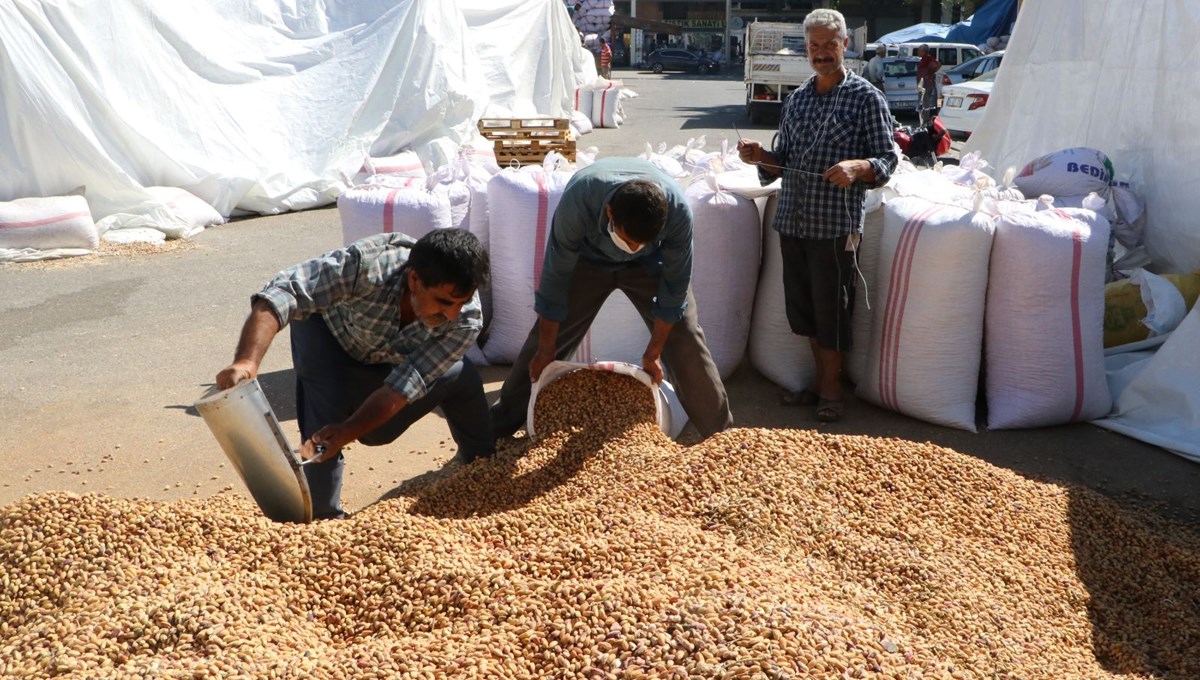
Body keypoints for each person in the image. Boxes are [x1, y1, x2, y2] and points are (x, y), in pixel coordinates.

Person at [214, 229, 493, 519]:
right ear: (414, 280)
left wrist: (349, 431)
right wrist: (247, 360)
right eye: (445, 302)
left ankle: (482, 461)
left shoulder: (465, 322)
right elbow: (284, 291)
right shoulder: (369, 267)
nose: (451, 314)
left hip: (385, 357)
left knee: (376, 431)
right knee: (326, 407)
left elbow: (400, 388)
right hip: (328, 332)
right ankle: (324, 516)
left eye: (461, 302)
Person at [489, 157, 734, 441]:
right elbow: (555, 282)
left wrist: (653, 354)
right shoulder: (579, 201)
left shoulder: (677, 212)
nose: (632, 248)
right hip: (588, 261)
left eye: (640, 242)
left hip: (650, 266)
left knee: (685, 335)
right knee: (546, 342)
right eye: (628, 239)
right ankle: (499, 425)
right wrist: (547, 348)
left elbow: (674, 291)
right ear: (609, 213)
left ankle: (721, 437)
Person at [735, 8, 899, 423]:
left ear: (846, 45)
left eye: (830, 45)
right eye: (814, 46)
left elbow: (887, 158)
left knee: (832, 309)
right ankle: (819, 381)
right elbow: (782, 163)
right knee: (804, 309)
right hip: (793, 221)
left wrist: (858, 168)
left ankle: (830, 390)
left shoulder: (866, 98)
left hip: (835, 226)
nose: (822, 53)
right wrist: (761, 157)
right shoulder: (797, 99)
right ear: (805, 49)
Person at [916, 44, 941, 124]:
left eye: (919, 50)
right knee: (923, 102)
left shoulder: (927, 58)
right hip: (923, 84)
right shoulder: (924, 59)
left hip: (926, 85)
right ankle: (924, 119)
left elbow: (938, 65)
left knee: (925, 103)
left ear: (923, 51)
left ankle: (925, 120)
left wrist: (930, 73)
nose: (918, 51)